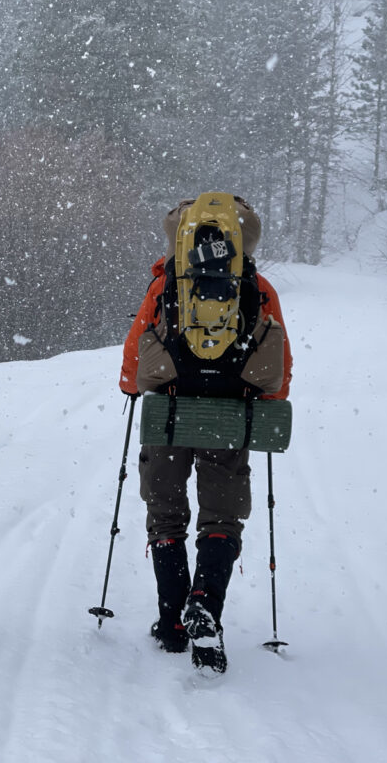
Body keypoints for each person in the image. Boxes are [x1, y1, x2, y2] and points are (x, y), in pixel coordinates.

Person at [119, 194, 292, 672]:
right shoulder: (256, 286)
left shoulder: (167, 282)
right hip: (230, 415)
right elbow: (279, 360)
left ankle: (173, 623)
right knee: (221, 518)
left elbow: (136, 353)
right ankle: (205, 603)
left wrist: (134, 388)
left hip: (169, 413)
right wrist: (266, 404)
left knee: (166, 516)